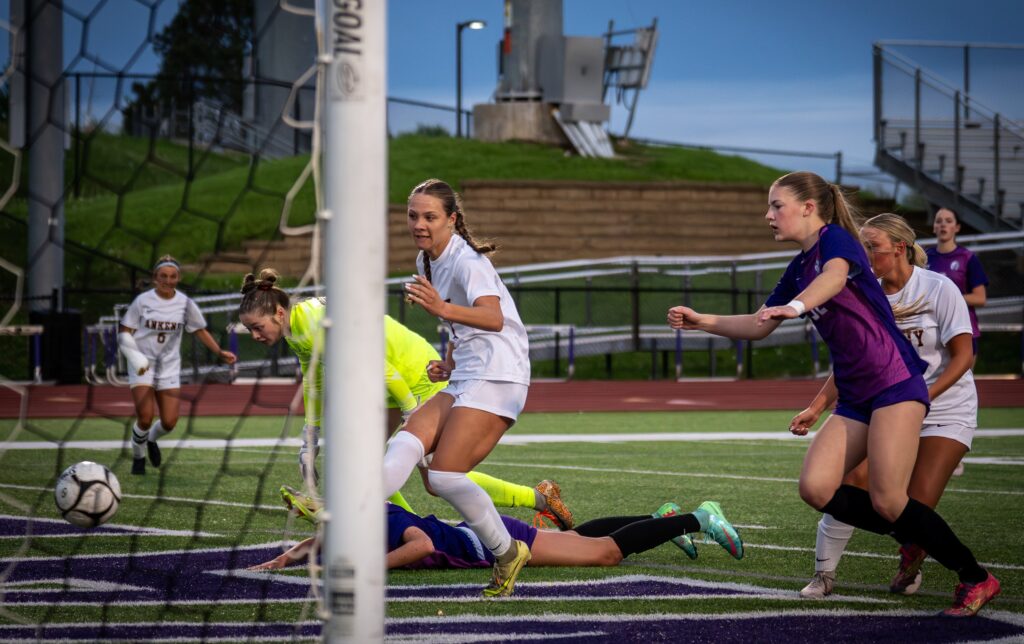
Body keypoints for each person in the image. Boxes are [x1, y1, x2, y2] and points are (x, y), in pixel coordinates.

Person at [666, 172, 999, 617]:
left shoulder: (836, 240)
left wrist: (797, 306)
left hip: (896, 383)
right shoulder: (799, 266)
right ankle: (912, 533)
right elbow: (758, 326)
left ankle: (975, 577)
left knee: (888, 500)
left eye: (776, 205)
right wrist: (702, 321)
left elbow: (835, 278)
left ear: (808, 208)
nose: (768, 215)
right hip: (857, 394)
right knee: (817, 488)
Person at [236, 271, 573, 529]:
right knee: (363, 462)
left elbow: (381, 367)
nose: (255, 336)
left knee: (436, 477)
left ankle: (540, 497)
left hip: (414, 376)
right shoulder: (296, 326)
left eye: (257, 327)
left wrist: (413, 413)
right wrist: (309, 437)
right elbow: (314, 379)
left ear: (278, 312)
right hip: (388, 383)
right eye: (250, 330)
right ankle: (413, 528)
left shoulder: (314, 326)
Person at [792, 214, 979, 601]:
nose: (863, 254)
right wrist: (817, 406)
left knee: (912, 505)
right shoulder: (866, 292)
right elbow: (857, 360)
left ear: (899, 248)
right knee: (851, 481)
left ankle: (918, 556)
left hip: (944, 407)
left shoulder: (938, 287)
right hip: (888, 402)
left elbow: (964, 356)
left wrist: (923, 397)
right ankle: (824, 574)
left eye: (871, 246)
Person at [384, 178, 533, 597]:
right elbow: (459, 323)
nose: (419, 224)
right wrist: (449, 362)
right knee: (406, 443)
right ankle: (346, 512)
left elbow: (492, 318)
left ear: (451, 220)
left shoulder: (468, 261)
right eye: (413, 215)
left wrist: (441, 307)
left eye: (430, 217)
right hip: (468, 372)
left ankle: (507, 552)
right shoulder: (425, 259)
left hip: (500, 373)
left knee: (445, 476)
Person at [249, 498, 743, 572]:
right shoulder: (356, 518)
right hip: (487, 540)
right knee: (582, 539)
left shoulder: (378, 516)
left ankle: (698, 518)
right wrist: (288, 556)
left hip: (494, 544)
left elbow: (422, 545)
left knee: (604, 555)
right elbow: (326, 539)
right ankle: (659, 518)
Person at [118, 255, 237, 475]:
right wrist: (134, 357)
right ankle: (138, 456)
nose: (168, 280)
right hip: (142, 365)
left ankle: (151, 440)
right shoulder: (142, 302)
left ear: (178, 278)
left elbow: (200, 330)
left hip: (169, 367)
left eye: (172, 276)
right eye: (163, 276)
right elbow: (124, 333)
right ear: (155, 278)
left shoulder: (185, 304)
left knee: (170, 422)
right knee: (145, 417)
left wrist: (219, 352)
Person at [926, 208, 989, 359]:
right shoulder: (926, 258)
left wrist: (948, 297)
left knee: (962, 374)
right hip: (933, 328)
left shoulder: (968, 258)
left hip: (962, 328)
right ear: (934, 227)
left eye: (948, 221)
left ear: (957, 227)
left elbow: (980, 298)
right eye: (938, 221)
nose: (943, 225)